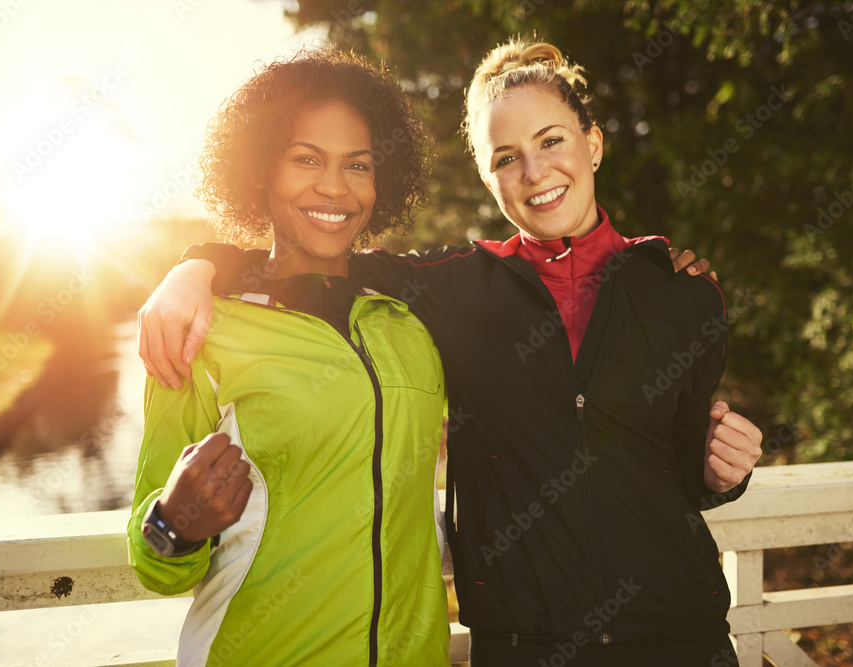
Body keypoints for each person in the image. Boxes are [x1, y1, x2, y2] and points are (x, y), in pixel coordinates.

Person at [139, 38, 764, 665]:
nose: (536, 172)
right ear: (488, 177)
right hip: (519, 648)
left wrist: (718, 475)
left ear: (593, 144)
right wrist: (196, 265)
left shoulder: (684, 295)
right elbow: (315, 253)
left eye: (552, 141)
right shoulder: (449, 289)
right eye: (506, 157)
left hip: (682, 638)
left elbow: (679, 465)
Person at [127, 49, 451, 666]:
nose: (334, 187)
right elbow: (154, 566)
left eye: (358, 165)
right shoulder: (202, 333)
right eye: (306, 159)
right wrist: (176, 522)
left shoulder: (410, 326)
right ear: (259, 172)